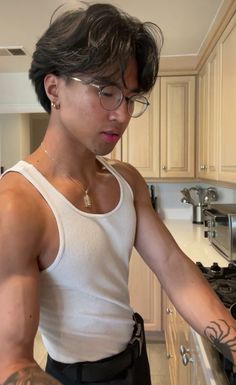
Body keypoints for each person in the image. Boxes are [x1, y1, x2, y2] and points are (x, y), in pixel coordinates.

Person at [0, 3, 235, 385]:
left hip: (135, 360)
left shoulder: (126, 180)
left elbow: (175, 270)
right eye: (107, 92)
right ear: (54, 88)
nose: (122, 114)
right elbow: (12, 362)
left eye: (130, 98)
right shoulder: (18, 202)